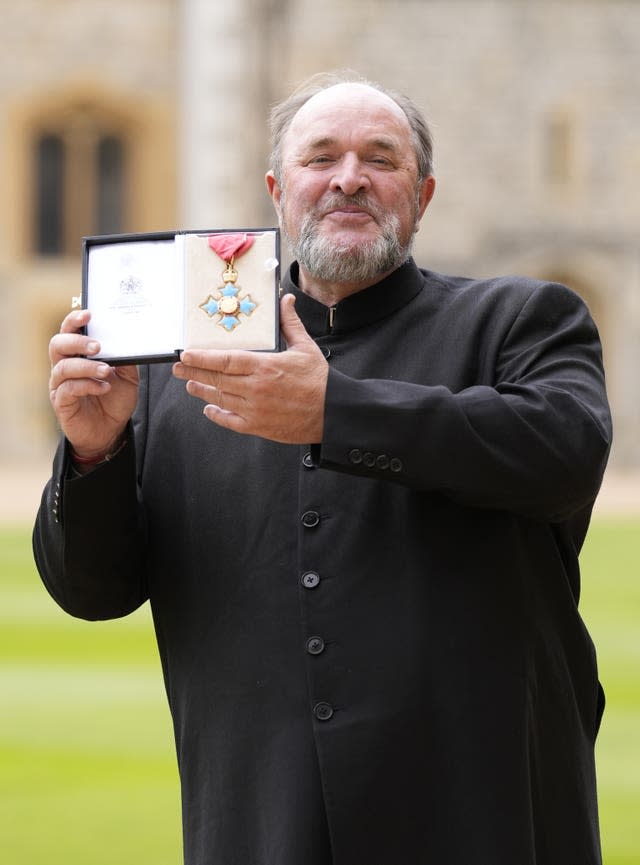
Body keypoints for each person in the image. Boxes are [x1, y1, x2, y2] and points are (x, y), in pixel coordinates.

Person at [34, 71, 612, 865]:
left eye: (381, 158)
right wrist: (94, 452)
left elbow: (565, 456)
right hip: (261, 824)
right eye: (321, 157)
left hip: (486, 814)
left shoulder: (520, 322)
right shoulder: (183, 365)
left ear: (424, 193)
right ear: (278, 189)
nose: (349, 178)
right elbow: (93, 592)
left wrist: (335, 410)